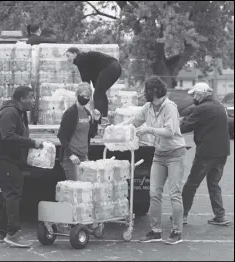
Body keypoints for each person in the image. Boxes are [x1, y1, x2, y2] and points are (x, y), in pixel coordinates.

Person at [122, 76, 186, 245]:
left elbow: (170, 131)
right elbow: (134, 122)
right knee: (154, 193)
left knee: (174, 194)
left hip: (175, 154)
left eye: (146, 90)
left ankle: (177, 232)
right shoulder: (148, 107)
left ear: (155, 91)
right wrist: (116, 128)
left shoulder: (169, 107)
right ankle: (155, 231)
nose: (144, 94)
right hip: (159, 154)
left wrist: (149, 129)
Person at [0, 86, 45, 248]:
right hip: (0, 159)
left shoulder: (20, 112)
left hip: (9, 159)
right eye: (31, 97)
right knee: (13, 193)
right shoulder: (10, 113)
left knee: (13, 193)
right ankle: (13, 233)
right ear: (21, 99)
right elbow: (8, 137)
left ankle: (1, 233)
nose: (34, 100)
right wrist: (33, 143)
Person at [180, 83, 230, 226]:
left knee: (191, 184)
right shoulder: (219, 106)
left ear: (201, 95)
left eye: (194, 94)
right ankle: (220, 216)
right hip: (222, 152)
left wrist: (172, 126)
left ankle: (182, 215)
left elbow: (184, 127)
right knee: (214, 184)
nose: (193, 97)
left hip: (206, 153)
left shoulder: (201, 108)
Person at [65, 47, 122, 126]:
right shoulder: (83, 60)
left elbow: (86, 85)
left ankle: (97, 121)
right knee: (100, 92)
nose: (67, 59)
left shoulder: (81, 59)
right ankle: (104, 119)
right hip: (117, 67)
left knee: (98, 94)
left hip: (111, 67)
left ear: (75, 54)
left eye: (68, 56)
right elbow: (87, 83)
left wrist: (80, 98)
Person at [57, 82, 101, 181]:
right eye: (83, 96)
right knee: (75, 189)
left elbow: (91, 134)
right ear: (77, 95)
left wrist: (96, 120)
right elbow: (61, 135)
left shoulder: (87, 113)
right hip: (72, 157)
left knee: (85, 187)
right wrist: (70, 154)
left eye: (88, 96)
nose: (85, 98)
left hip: (84, 155)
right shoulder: (70, 113)